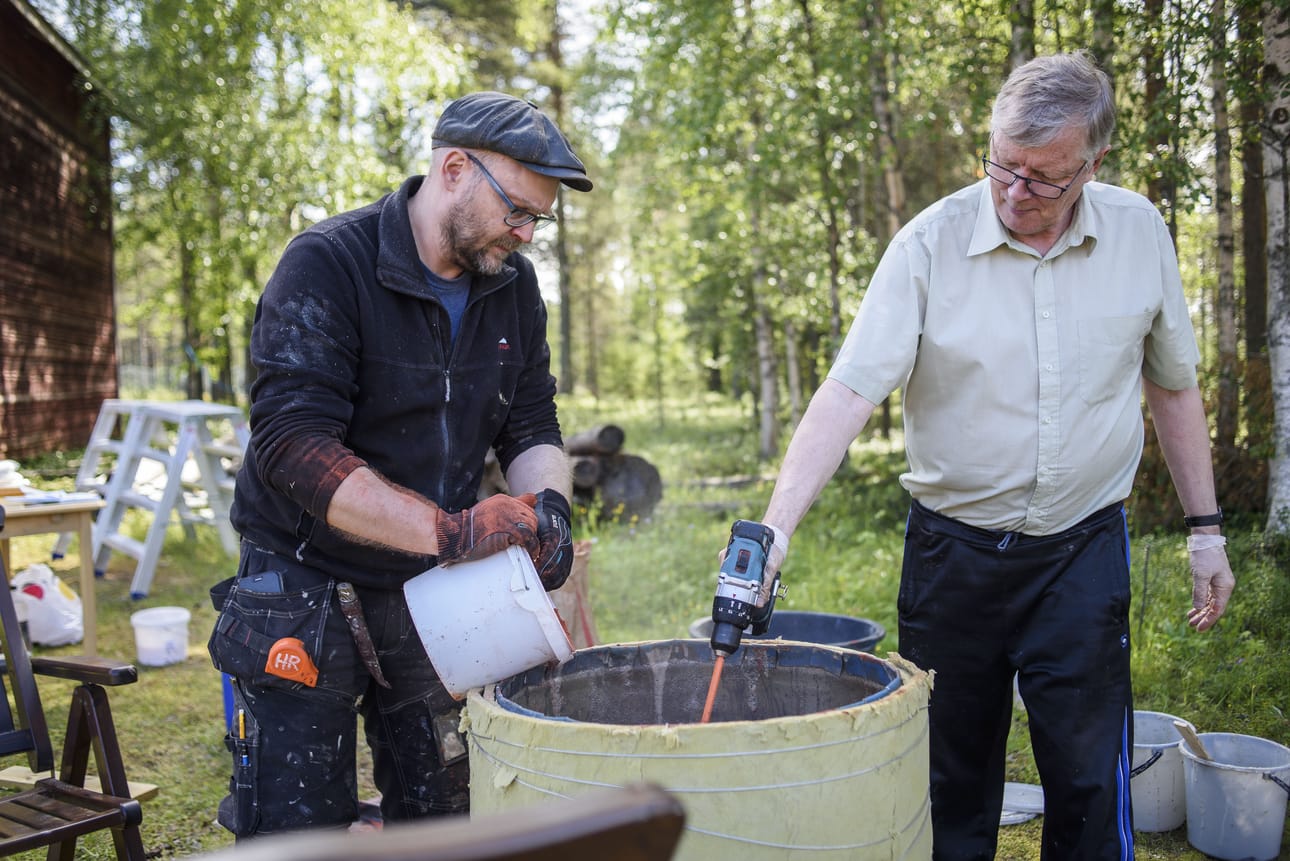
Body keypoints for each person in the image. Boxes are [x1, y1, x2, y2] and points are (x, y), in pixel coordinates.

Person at [739, 53, 1235, 860]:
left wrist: (1207, 530)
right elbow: (847, 394)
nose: (1014, 192)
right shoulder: (927, 245)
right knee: (949, 783)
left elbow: (1174, 386)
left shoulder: (1139, 232)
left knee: (1086, 781)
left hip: (1083, 552)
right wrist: (775, 531)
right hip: (952, 557)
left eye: (1043, 179)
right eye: (1003, 165)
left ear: (1093, 164)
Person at [207, 92, 591, 838]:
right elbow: (293, 447)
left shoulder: (514, 288)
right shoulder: (326, 263)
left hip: (433, 590)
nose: (525, 233)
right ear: (454, 168)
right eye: (517, 209)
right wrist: (451, 530)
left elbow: (532, 422)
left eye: (536, 220)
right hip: (301, 580)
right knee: (299, 831)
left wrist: (551, 511)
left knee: (449, 815)